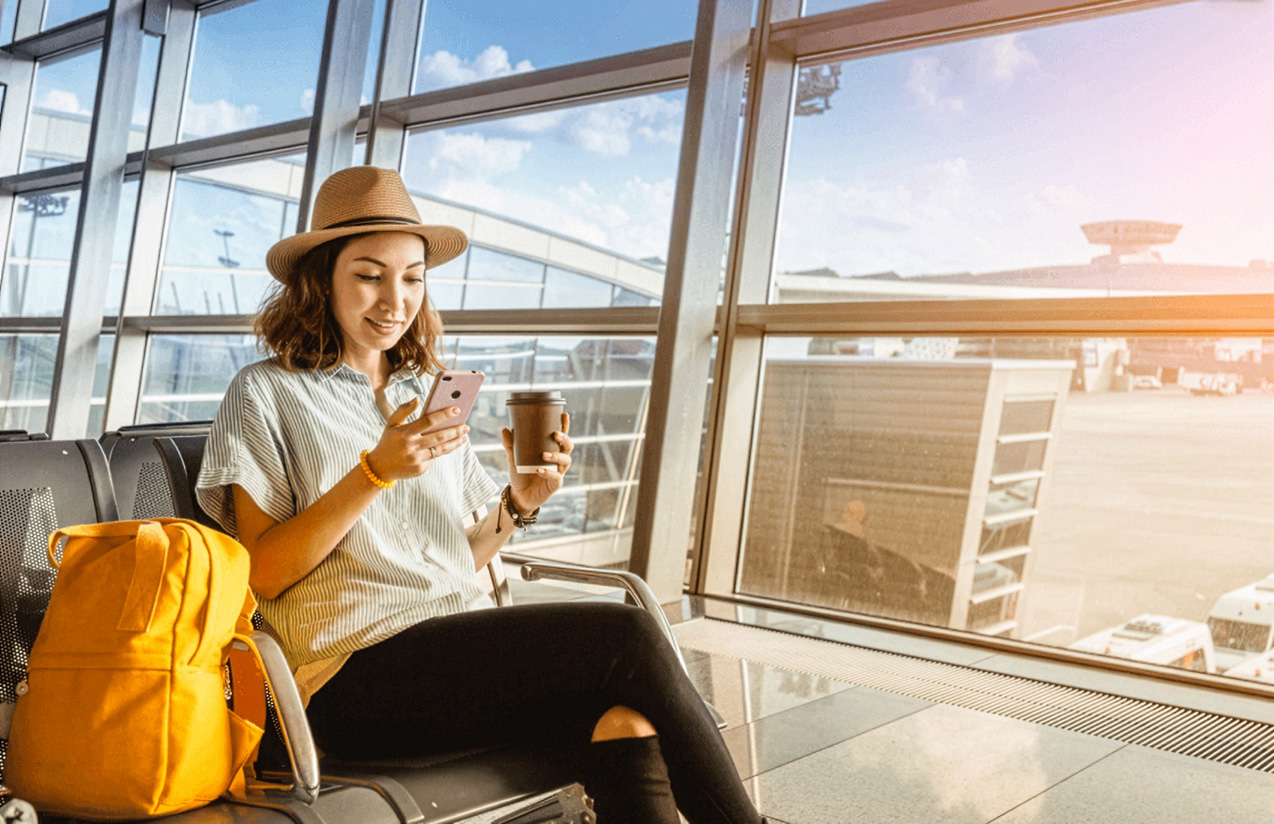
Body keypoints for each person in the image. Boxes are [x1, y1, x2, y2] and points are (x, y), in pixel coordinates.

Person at [195, 166, 780, 824]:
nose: (395, 299)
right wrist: (373, 474)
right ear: (320, 278)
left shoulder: (425, 387)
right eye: (369, 274)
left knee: (625, 723)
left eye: (412, 277)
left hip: (454, 650)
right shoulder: (264, 392)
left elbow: (452, 559)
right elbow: (266, 574)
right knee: (630, 634)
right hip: (351, 676)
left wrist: (518, 504)